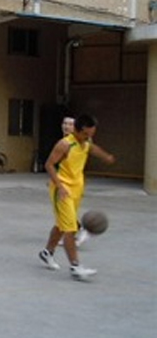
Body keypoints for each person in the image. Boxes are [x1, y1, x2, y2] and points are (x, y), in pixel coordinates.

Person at [38, 114, 115, 280]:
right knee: (70, 229)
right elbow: (49, 164)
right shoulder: (65, 144)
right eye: (86, 134)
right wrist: (59, 187)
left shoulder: (85, 143)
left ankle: (47, 252)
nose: (88, 138)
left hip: (76, 189)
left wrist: (106, 157)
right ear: (77, 131)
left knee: (62, 225)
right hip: (62, 190)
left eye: (91, 134)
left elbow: (93, 149)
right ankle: (75, 266)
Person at [59, 114, 89, 247]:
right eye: (65, 123)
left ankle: (82, 230)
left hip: (73, 183)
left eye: (70, 124)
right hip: (63, 182)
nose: (66, 126)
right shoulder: (64, 142)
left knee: (67, 210)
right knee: (64, 211)